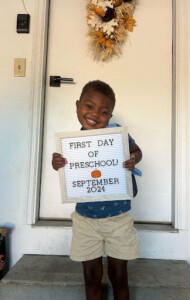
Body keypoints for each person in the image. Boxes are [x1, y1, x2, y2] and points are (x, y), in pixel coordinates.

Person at [52, 80, 142, 300]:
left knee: (119, 276)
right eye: (89, 106)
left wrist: (133, 159)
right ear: (77, 105)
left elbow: (137, 151)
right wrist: (57, 164)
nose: (95, 114)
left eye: (104, 111)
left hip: (118, 219)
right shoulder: (72, 144)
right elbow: (66, 169)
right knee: (91, 277)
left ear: (110, 116)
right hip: (86, 220)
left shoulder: (117, 136)